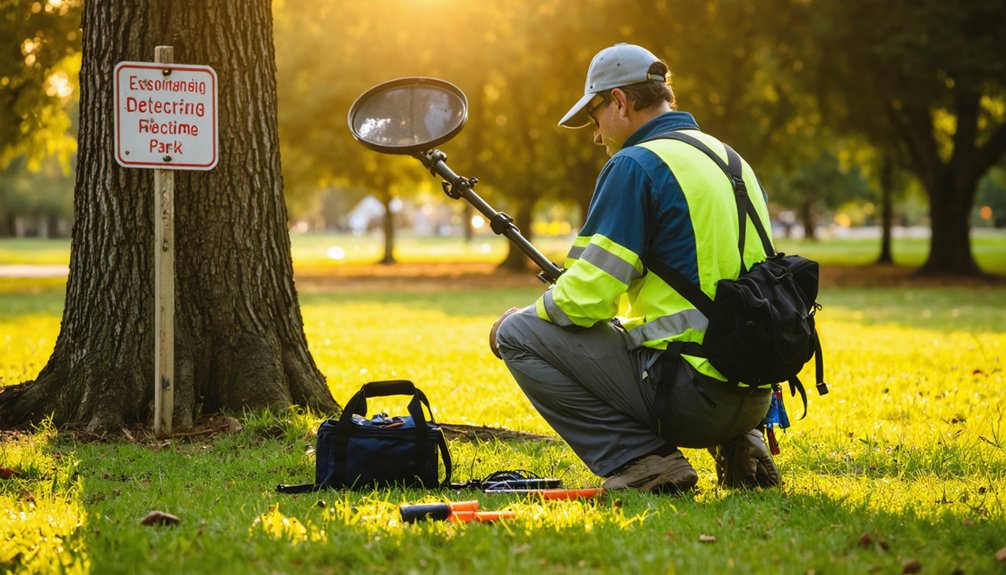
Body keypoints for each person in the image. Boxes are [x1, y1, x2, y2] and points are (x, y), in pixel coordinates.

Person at [489, 43, 780, 494]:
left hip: (691, 398)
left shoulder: (635, 164)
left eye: (594, 115)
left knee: (516, 335)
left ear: (620, 102)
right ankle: (743, 442)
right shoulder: (727, 157)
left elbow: (584, 301)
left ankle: (643, 461)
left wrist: (521, 317)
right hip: (755, 393)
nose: (594, 133)